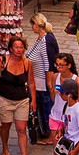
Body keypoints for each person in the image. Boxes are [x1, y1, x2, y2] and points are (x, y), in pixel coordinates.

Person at [0, 35, 36, 155]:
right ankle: (5, 147)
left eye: (21, 47)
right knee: (6, 126)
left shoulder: (27, 63)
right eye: (16, 47)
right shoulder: (2, 61)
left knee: (21, 129)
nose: (19, 50)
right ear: (11, 49)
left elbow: (31, 83)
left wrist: (34, 100)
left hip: (22, 100)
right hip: (4, 99)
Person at [43, 54, 79, 155]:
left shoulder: (76, 81)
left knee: (74, 153)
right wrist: (54, 92)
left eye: (61, 65)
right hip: (55, 116)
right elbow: (53, 100)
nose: (58, 67)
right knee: (57, 151)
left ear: (69, 65)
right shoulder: (55, 77)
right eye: (56, 64)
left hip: (69, 120)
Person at [25, 14, 60, 144]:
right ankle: (45, 133)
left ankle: (52, 135)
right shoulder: (41, 39)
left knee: (47, 109)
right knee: (41, 109)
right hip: (37, 82)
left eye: (32, 25)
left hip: (43, 83)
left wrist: (49, 85)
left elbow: (48, 63)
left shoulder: (46, 40)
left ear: (36, 25)